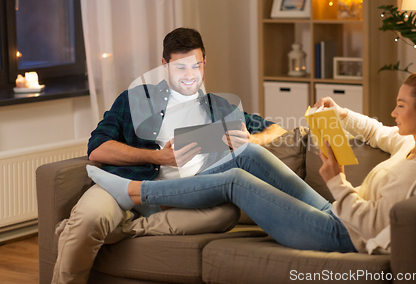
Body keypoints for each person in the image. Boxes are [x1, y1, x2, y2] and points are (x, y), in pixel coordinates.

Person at [88, 62, 416, 254]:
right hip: (334, 214)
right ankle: (147, 187)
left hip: (340, 236)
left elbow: (371, 226)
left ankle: (136, 192)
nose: (394, 112)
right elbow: (379, 132)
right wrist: (339, 114)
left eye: (401, 105)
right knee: (248, 152)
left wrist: (336, 179)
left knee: (236, 183)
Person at [52, 27, 286, 284]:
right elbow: (97, 148)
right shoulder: (135, 99)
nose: (189, 76)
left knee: (227, 213)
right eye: (180, 67)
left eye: (195, 66)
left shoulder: (220, 107)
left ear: (204, 63)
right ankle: (90, 228)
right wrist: (157, 158)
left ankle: (124, 229)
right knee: (89, 219)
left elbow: (276, 129)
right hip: (125, 185)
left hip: (182, 200)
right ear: (165, 65)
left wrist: (252, 140)